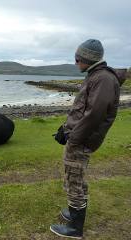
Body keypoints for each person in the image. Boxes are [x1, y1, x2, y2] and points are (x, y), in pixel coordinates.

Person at [50, 39, 127, 239]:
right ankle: (74, 212)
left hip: (81, 140)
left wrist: (73, 137)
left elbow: (94, 115)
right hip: (79, 136)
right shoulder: (96, 75)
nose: (75, 62)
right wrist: (65, 128)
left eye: (77, 59)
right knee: (74, 177)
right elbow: (83, 110)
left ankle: (75, 228)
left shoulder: (102, 79)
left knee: (75, 179)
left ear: (86, 59)